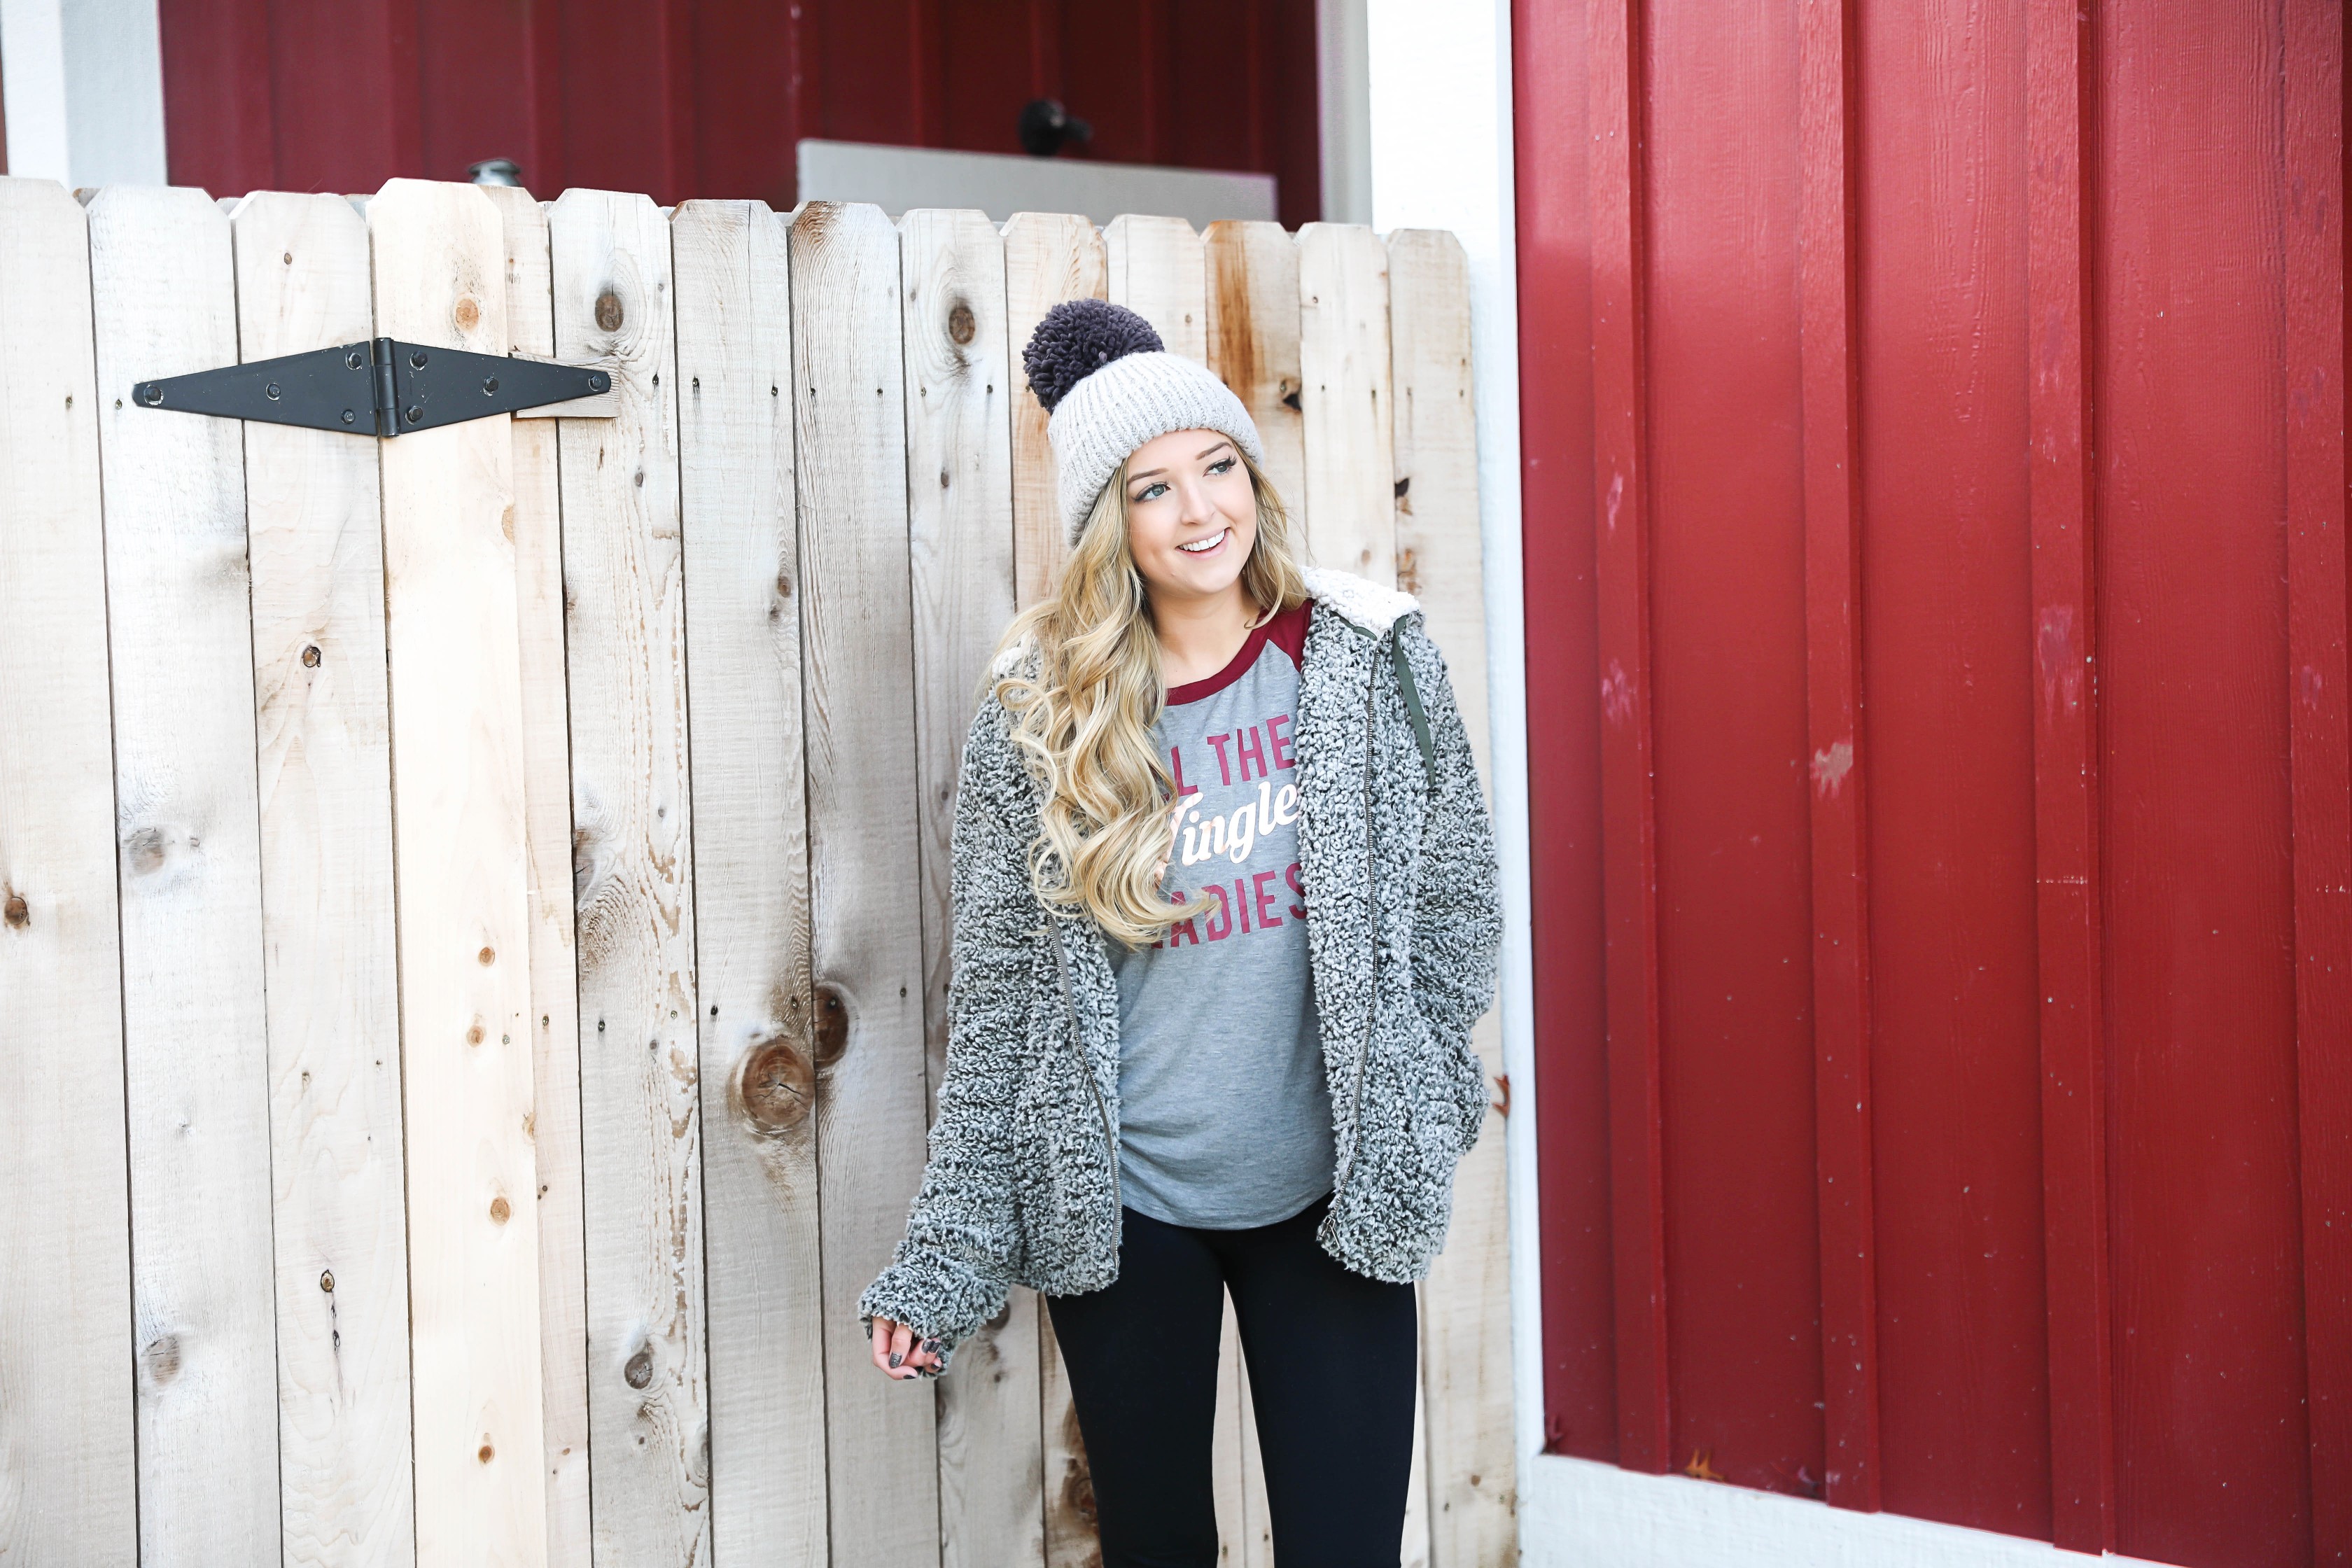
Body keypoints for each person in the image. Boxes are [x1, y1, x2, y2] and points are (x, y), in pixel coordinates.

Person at [860, 298, 1502, 1566]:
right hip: (1131, 1206)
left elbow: (1456, 909)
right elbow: (999, 1014)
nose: (1203, 511)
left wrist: (1419, 1095)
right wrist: (946, 1261)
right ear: (1113, 525)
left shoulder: (1366, 659)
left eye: (1219, 466)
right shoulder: (1040, 716)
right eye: (1155, 490)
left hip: (1329, 1197)